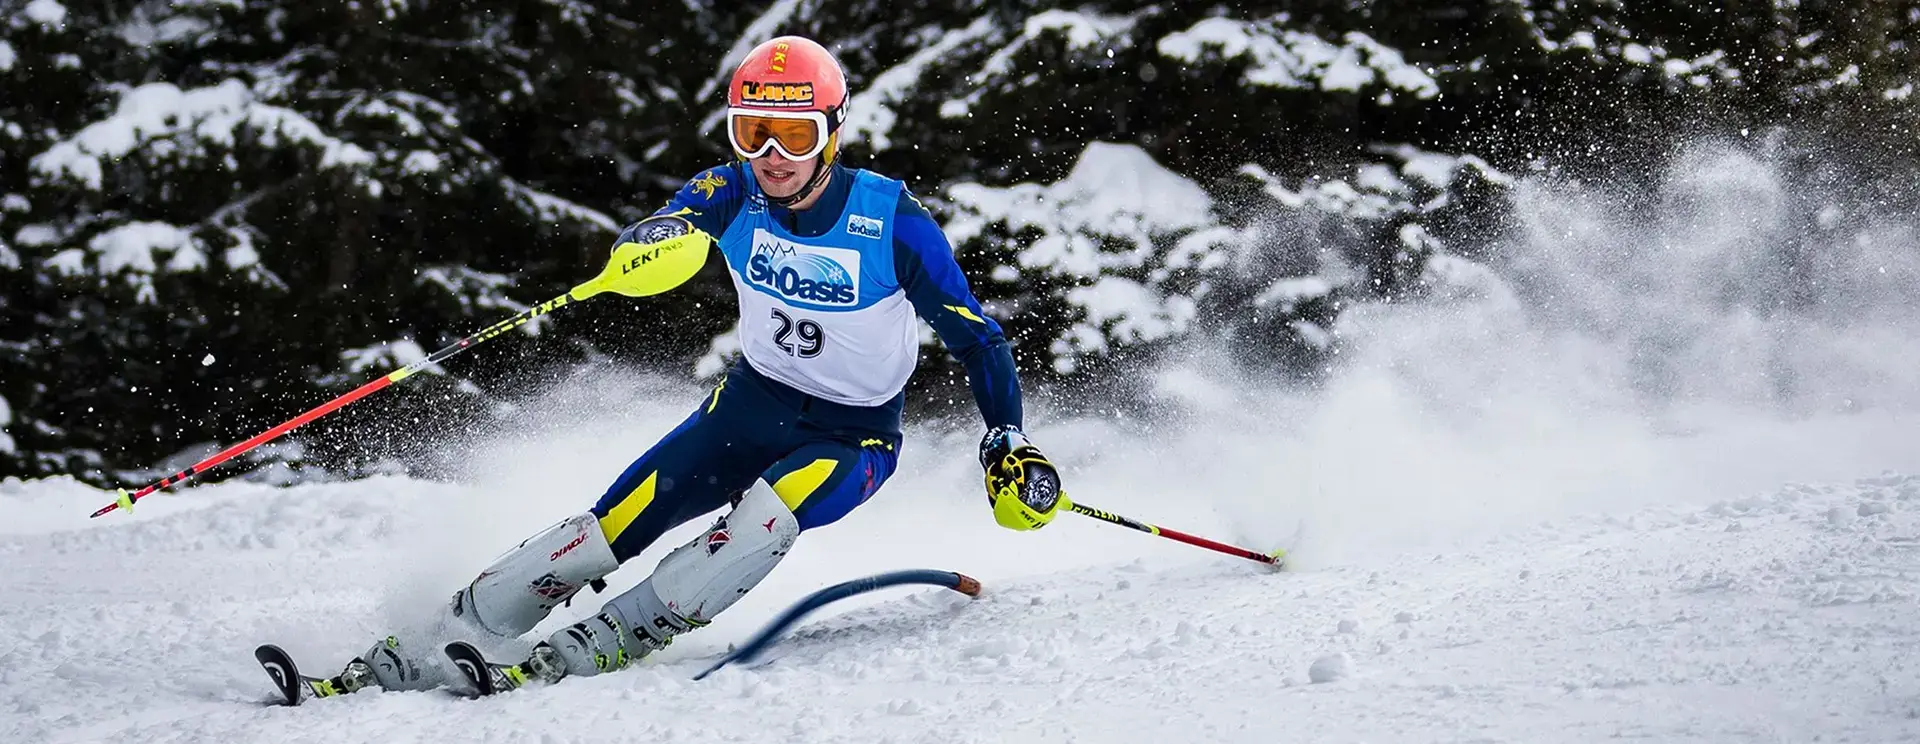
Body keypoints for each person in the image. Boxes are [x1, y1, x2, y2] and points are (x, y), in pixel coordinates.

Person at [350, 35, 1065, 692]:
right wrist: (650, 243)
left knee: (763, 517)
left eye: (795, 133)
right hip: (751, 406)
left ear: (832, 135)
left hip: (854, 437)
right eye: (753, 132)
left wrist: (1007, 437)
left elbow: (979, 338)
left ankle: (615, 635)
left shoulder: (892, 221)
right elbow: (675, 221)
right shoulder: (733, 190)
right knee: (616, 521)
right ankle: (450, 630)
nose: (773, 155)